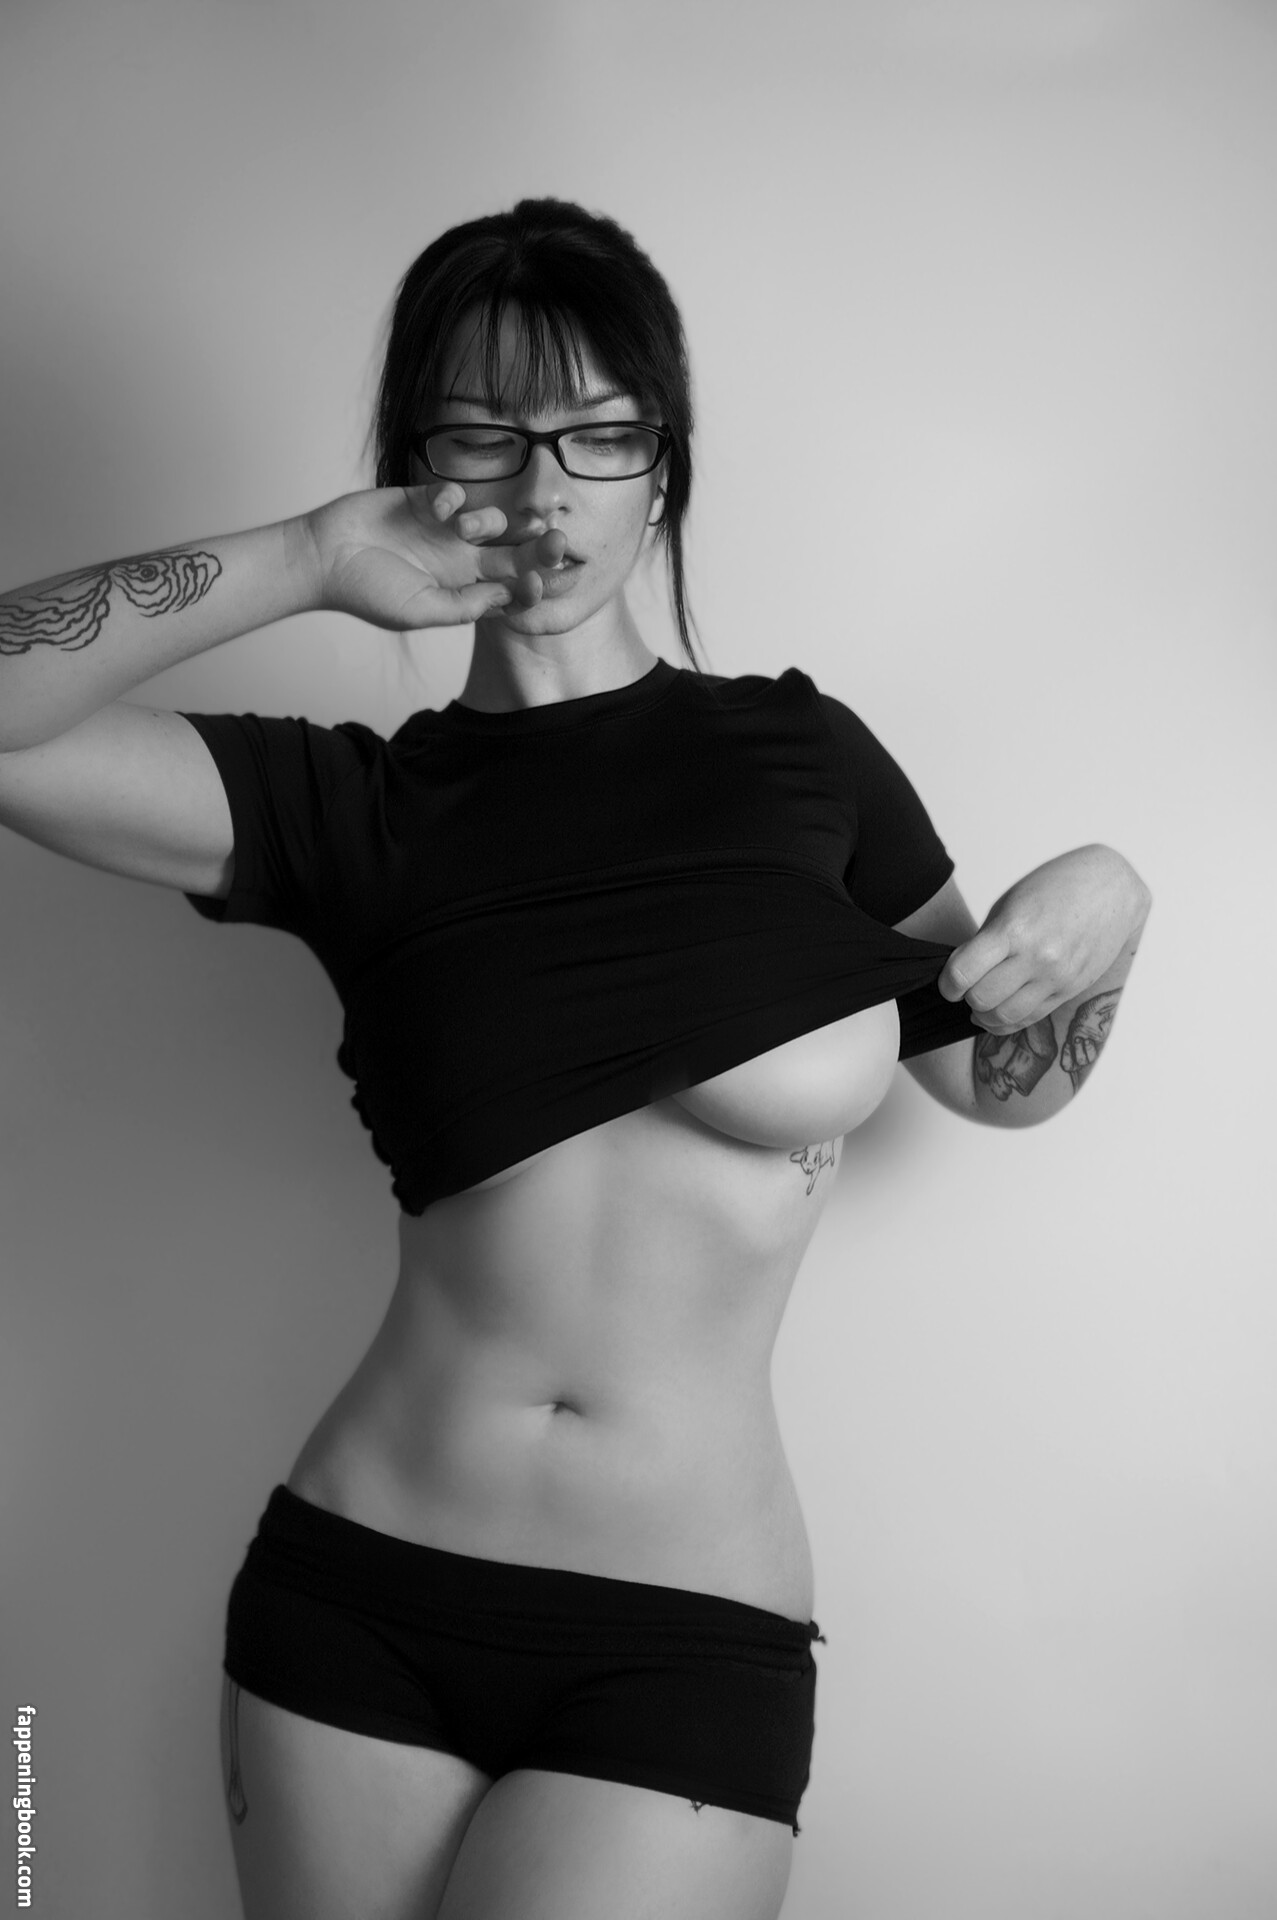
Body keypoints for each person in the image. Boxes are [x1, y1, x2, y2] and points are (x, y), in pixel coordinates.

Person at [0, 198, 1151, 1920]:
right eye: (482, 433)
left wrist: (1111, 902)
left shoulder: (803, 759)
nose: (543, 490)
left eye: (598, 434)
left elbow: (1005, 1080)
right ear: (416, 465)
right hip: (359, 1595)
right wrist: (307, 556)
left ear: (661, 467)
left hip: (679, 1635)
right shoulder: (353, 808)